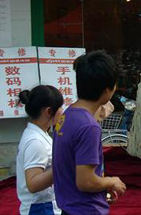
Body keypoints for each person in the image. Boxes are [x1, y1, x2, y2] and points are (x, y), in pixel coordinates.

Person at [53, 50, 126, 215]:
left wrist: (101, 192)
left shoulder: (68, 115)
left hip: (70, 207)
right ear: (107, 89)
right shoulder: (89, 127)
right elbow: (85, 181)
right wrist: (110, 181)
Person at [16, 85, 64, 215]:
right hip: (41, 208)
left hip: (44, 205)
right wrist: (64, 166)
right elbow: (33, 184)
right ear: (49, 111)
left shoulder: (38, 135)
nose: (62, 111)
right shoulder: (35, 142)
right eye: (60, 107)